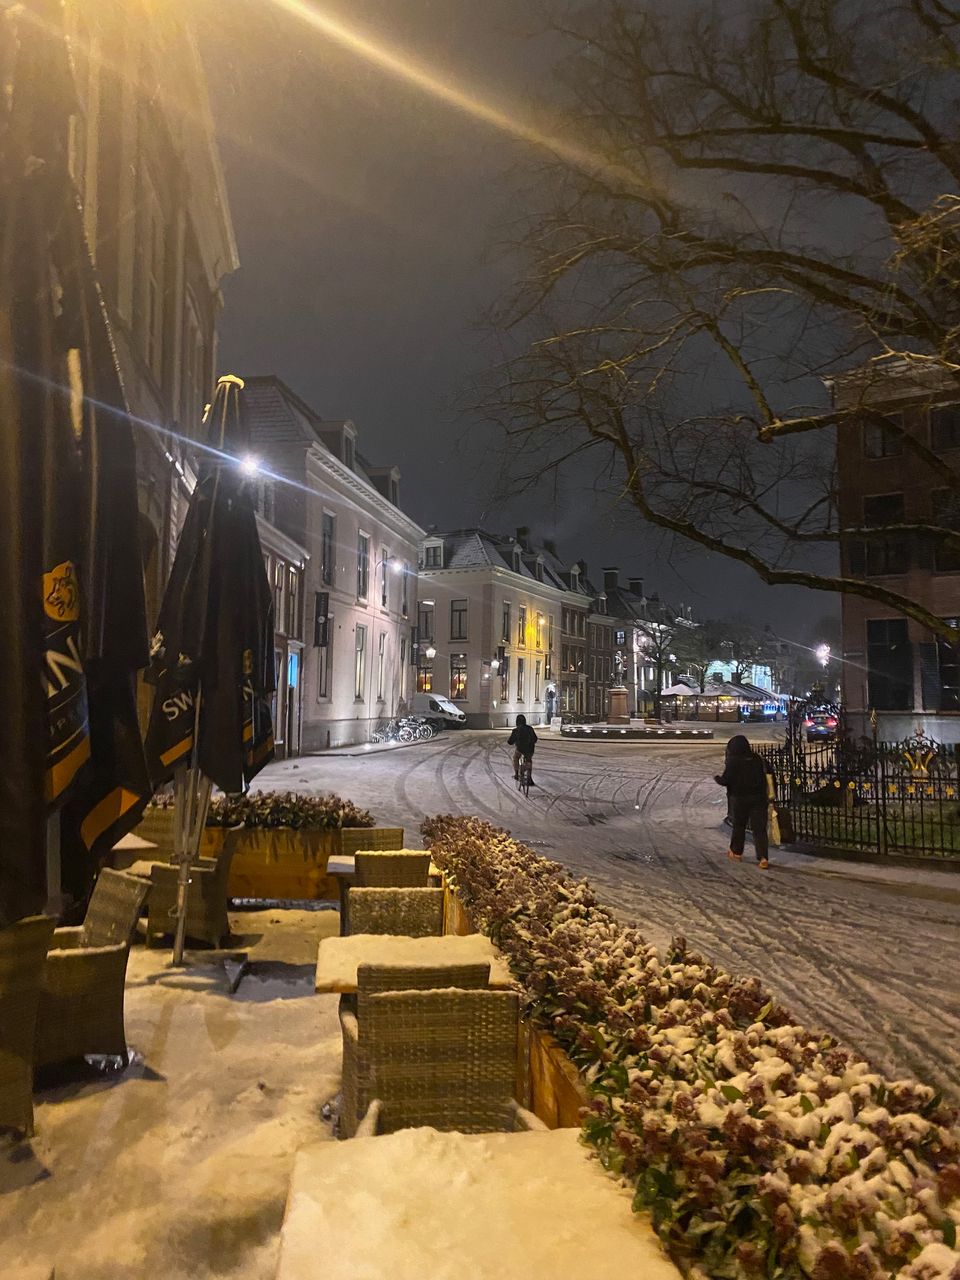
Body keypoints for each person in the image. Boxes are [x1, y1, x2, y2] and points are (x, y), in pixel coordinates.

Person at [714, 734, 771, 869]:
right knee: (760, 830)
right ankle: (763, 857)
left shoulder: (734, 761)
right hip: (758, 799)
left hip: (740, 799)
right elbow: (767, 775)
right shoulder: (757, 759)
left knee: (739, 826)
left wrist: (717, 778)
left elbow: (726, 780)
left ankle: (736, 852)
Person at [507, 714, 538, 786]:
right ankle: (529, 778)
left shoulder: (516, 730)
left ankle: (516, 774)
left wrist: (512, 741)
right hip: (530, 748)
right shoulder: (530, 728)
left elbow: (510, 742)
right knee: (529, 759)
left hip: (520, 749)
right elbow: (535, 739)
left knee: (516, 757)